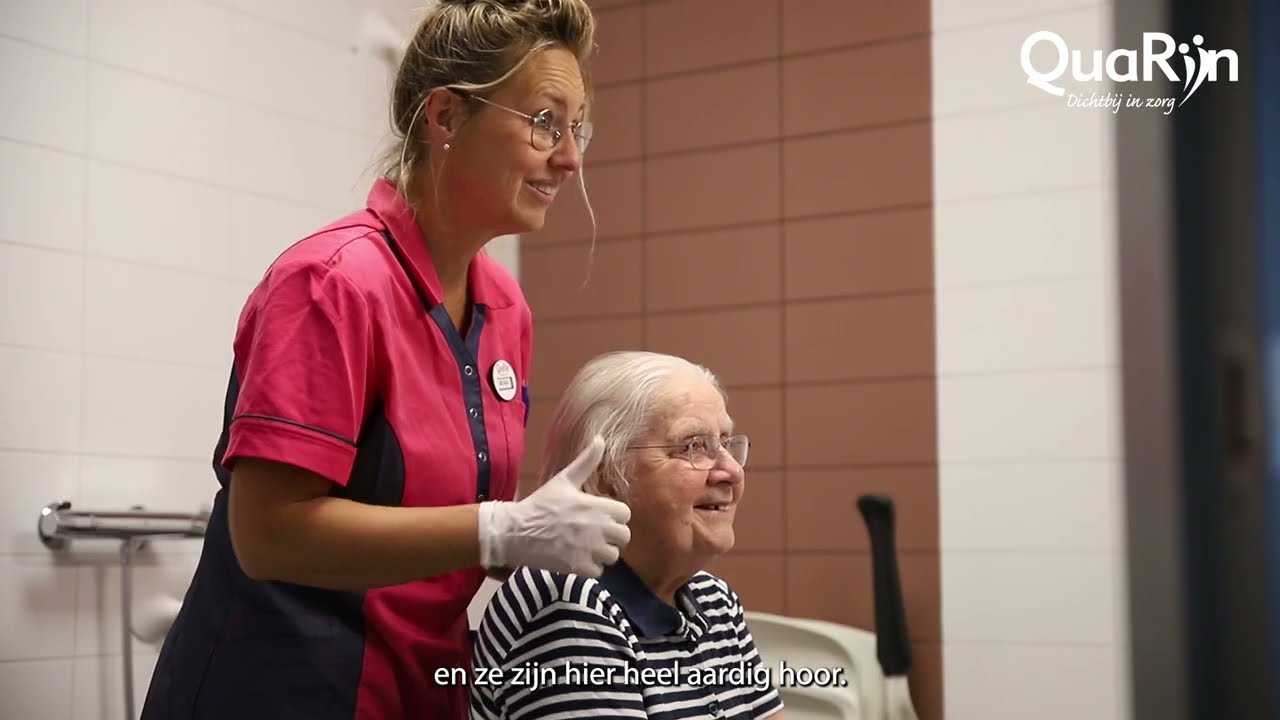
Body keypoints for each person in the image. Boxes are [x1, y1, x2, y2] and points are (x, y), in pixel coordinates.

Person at [139, 2, 632, 719]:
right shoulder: (331, 284)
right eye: (544, 121)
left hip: (424, 690)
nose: (570, 156)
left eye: (576, 127)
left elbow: (438, 530)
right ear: (445, 118)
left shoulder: (506, 309)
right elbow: (268, 534)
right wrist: (502, 529)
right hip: (284, 692)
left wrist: (540, 538)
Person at [470, 351, 788, 719]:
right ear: (607, 475)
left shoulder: (712, 598)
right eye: (693, 447)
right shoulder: (567, 600)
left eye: (727, 442)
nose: (731, 471)